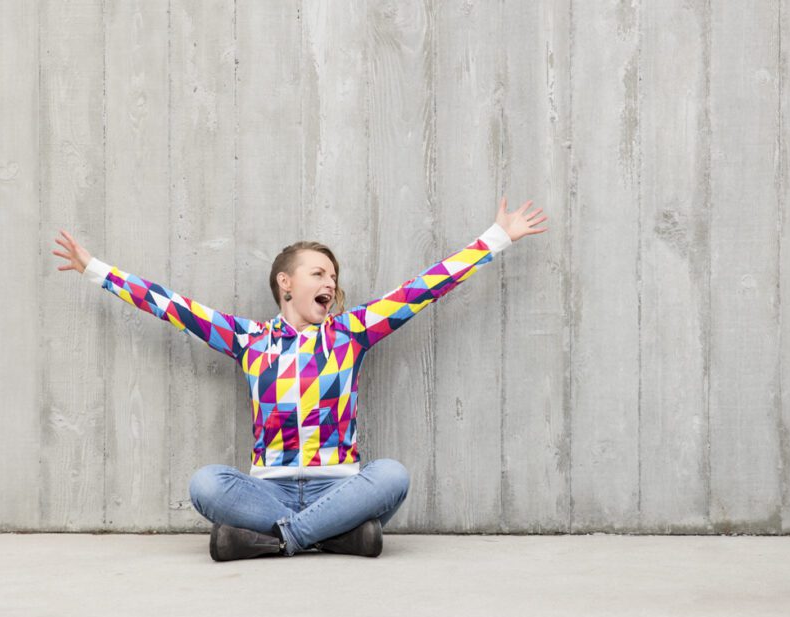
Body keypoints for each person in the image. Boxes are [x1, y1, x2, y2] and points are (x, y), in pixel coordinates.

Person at [53, 197, 548, 561]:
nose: (329, 283)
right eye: (318, 273)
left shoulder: (351, 333)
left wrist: (497, 238)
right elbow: (172, 306)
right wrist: (93, 269)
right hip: (269, 491)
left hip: (341, 488)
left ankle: (280, 540)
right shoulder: (249, 340)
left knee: (392, 476)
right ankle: (336, 537)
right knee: (206, 484)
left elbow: (423, 288)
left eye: (333, 276)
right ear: (286, 283)